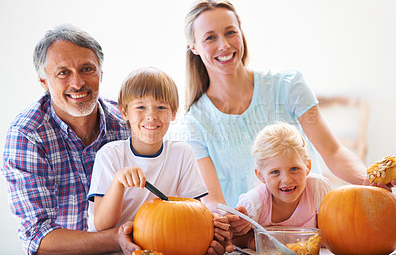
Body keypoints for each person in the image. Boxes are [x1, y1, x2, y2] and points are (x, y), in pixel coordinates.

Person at [179, 0, 372, 210]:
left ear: (241, 33)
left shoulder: (288, 87)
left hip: (311, 228)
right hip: (248, 237)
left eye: (230, 32)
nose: (224, 45)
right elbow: (213, 201)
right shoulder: (194, 124)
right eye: (210, 38)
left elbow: (332, 152)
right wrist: (228, 225)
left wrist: (370, 180)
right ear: (194, 47)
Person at [1, 24, 138, 255]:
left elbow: (161, 195)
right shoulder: (27, 135)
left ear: (101, 73)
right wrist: (116, 239)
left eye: (87, 69)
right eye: (63, 72)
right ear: (44, 82)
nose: (77, 83)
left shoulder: (130, 123)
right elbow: (38, 237)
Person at [87, 67, 233, 254]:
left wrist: (213, 222)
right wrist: (118, 182)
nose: (151, 116)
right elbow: (101, 225)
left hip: (165, 249)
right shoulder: (110, 155)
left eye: (161, 107)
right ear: (124, 113)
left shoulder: (182, 153)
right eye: (140, 107)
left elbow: (193, 214)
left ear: (173, 113)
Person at [229, 122, 332, 249]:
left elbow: (331, 236)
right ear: (260, 175)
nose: (287, 180)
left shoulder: (317, 188)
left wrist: (277, 239)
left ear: (308, 166)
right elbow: (235, 240)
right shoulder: (254, 203)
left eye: (294, 168)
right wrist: (242, 232)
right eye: (275, 172)